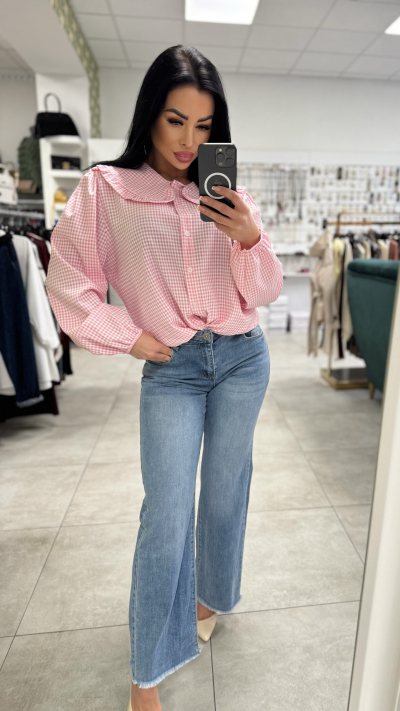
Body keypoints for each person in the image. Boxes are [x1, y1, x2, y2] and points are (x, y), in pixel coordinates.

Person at [45, 45, 283, 711]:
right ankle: (146, 672)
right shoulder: (106, 191)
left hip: (242, 358)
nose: (188, 141)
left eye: (204, 126)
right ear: (150, 113)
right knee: (167, 512)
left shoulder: (228, 192)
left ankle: (210, 596)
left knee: (228, 490)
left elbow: (263, 292)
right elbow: (69, 282)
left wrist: (249, 237)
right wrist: (128, 335)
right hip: (172, 368)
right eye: (175, 120)